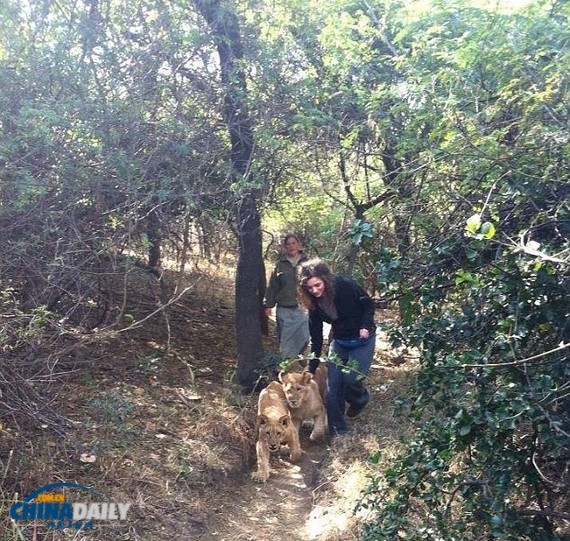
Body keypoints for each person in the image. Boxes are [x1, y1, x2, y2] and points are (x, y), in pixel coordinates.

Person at [298, 258, 376, 436]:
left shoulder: (345, 285)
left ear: (325, 279)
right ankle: (337, 434)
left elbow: (368, 304)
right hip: (340, 341)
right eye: (310, 288)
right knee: (332, 390)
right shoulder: (314, 305)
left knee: (351, 378)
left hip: (362, 339)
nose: (315, 290)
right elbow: (316, 337)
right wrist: (311, 366)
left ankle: (359, 400)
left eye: (317, 285)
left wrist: (365, 325)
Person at [263, 234, 310, 360]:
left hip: (303, 308)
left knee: (304, 336)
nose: (291, 246)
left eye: (293, 243)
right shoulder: (280, 265)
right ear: (285, 246)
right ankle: (287, 365)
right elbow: (273, 286)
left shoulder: (307, 263)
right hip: (284, 308)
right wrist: (268, 305)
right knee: (285, 338)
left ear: (298, 244)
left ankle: (303, 364)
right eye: (288, 244)